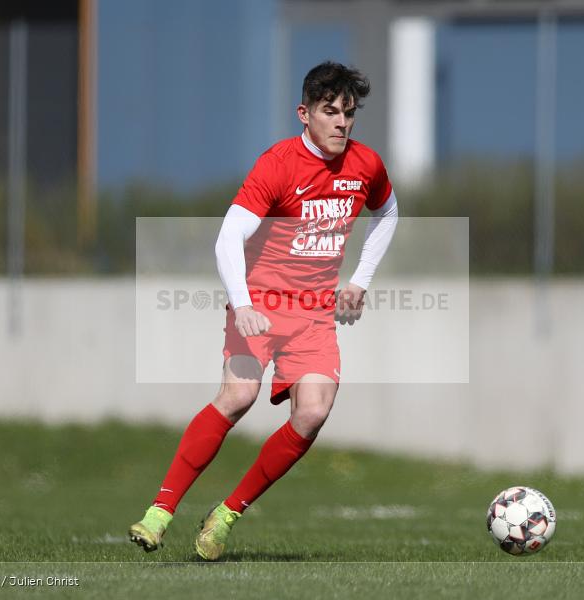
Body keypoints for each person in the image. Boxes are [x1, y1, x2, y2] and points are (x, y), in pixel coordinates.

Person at [129, 61, 399, 560]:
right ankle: (160, 512)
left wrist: (359, 280)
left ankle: (226, 514)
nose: (342, 122)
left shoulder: (366, 165)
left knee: (314, 412)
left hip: (315, 315)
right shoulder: (277, 164)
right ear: (304, 114)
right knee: (238, 396)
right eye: (330, 111)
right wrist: (244, 304)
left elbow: (388, 211)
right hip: (260, 304)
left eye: (349, 113)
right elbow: (228, 236)